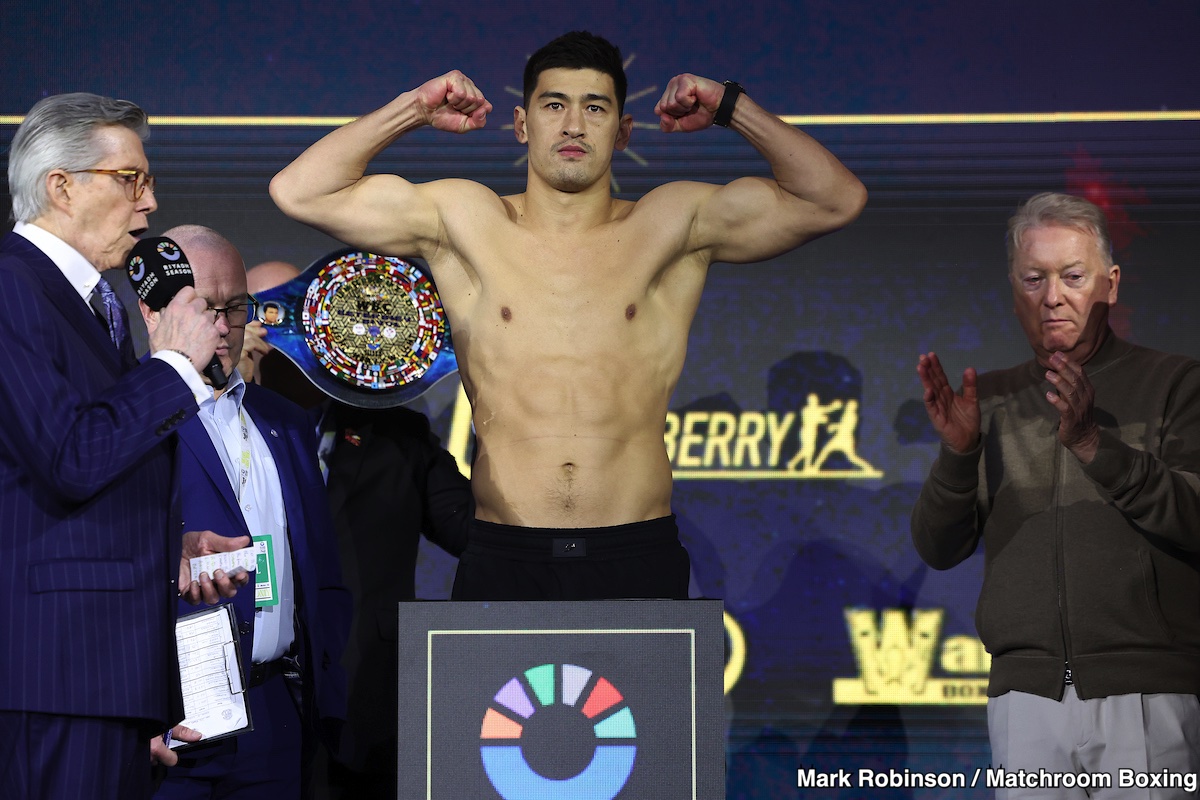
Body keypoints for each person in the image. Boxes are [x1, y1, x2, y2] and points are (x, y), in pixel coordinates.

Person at [271, 30, 867, 601]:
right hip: (505, 554)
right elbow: (302, 191)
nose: (574, 125)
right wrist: (415, 108)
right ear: (522, 124)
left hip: (634, 550)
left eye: (596, 108)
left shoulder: (670, 223)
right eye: (554, 105)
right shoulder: (466, 221)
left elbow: (834, 198)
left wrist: (731, 107)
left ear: (623, 130)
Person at [0, 92, 248, 799]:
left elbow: (55, 479)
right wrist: (171, 367)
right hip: (56, 672)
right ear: (62, 186)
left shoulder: (84, 302)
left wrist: (163, 544)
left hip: (101, 675)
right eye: (130, 179)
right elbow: (69, 457)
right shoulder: (14, 287)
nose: (150, 203)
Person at [911, 192, 1200, 797]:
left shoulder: (1177, 384)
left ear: (1111, 284)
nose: (1053, 297)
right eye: (1033, 279)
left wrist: (1097, 445)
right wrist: (959, 455)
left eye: (1073, 277)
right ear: (1014, 290)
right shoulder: (985, 400)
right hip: (1026, 699)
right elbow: (938, 547)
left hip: (1145, 692)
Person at [242, 259, 472, 798]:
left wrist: (497, 409)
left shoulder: (398, 434)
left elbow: (471, 532)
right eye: (255, 310)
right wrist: (235, 389)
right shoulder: (214, 425)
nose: (273, 328)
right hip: (244, 701)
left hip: (365, 705)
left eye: (290, 308)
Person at [145, 227, 350, 799]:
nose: (221, 325)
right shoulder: (122, 414)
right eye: (202, 306)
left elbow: (320, 568)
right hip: (171, 717)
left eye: (235, 307)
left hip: (274, 713)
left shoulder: (285, 420)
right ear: (153, 312)